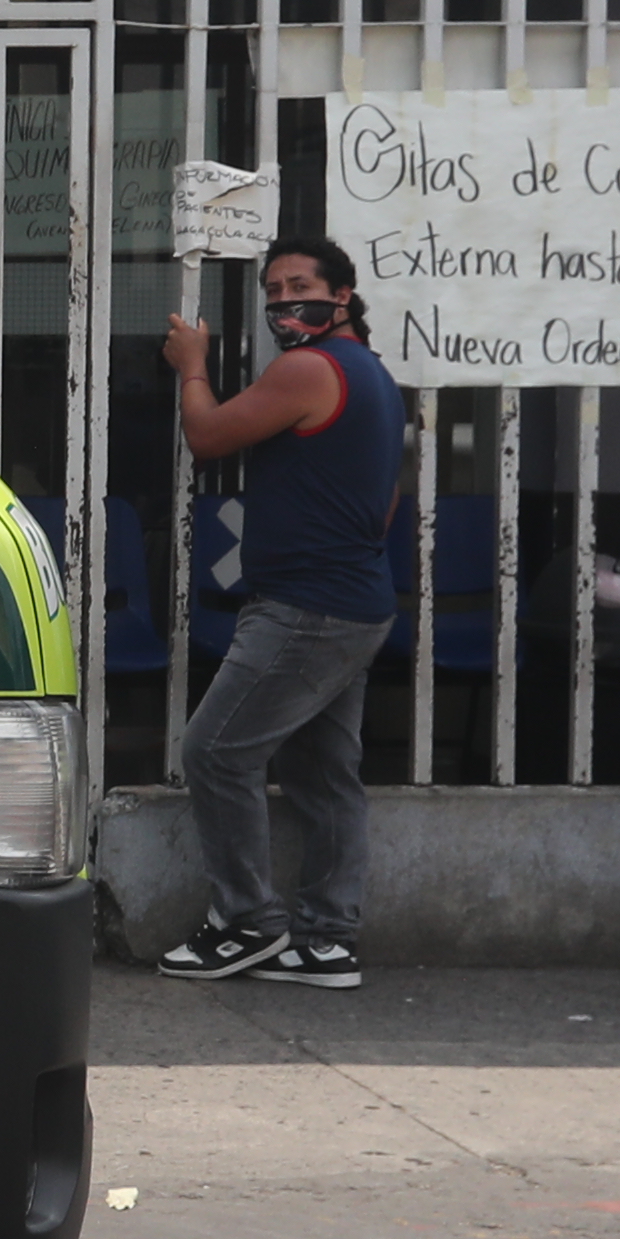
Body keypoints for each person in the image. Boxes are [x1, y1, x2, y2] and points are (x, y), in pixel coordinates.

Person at [149, 237, 406, 991]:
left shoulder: (308, 367)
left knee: (215, 752)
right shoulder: (375, 377)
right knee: (323, 773)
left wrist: (192, 365)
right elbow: (386, 496)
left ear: (343, 293)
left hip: (308, 608)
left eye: (300, 285)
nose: (283, 301)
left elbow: (209, 434)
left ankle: (247, 924)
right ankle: (328, 941)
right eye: (273, 289)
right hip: (353, 600)